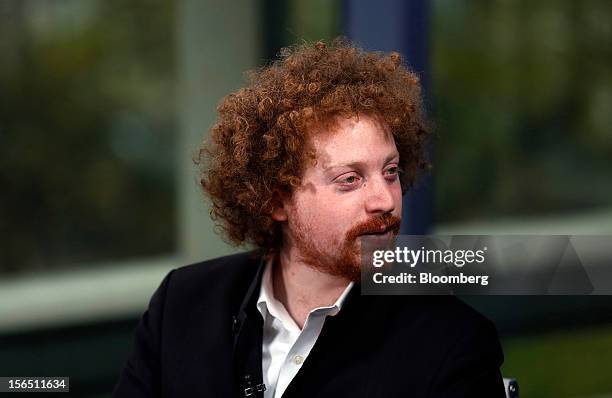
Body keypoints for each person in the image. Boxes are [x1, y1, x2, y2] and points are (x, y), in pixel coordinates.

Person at [113, 39, 505, 398]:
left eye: (391, 172)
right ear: (277, 200)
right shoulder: (183, 304)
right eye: (350, 180)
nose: (385, 200)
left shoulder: (453, 343)